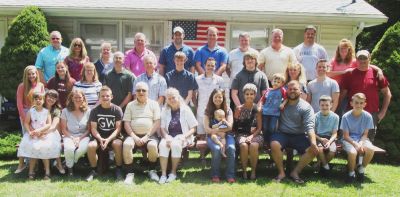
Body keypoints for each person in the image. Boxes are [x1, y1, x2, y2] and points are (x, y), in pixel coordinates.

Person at [270, 80, 318, 184]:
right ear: (286, 91)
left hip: (299, 135)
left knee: (313, 149)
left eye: (295, 89)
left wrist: (313, 143)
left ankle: (295, 172)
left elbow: (309, 127)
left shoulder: (306, 107)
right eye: (290, 89)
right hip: (282, 133)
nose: (292, 91)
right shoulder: (281, 103)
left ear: (300, 91)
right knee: (274, 144)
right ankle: (281, 173)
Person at [341, 50, 391, 141]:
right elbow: (342, 95)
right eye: (360, 58)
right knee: (350, 142)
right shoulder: (349, 74)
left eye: (365, 58)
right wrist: (340, 112)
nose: (362, 61)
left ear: (369, 59)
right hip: (352, 114)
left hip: (371, 114)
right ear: (356, 59)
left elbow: (387, 94)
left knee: (367, 143)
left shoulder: (377, 74)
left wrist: (382, 112)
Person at [328, 39, 383, 115]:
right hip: (335, 90)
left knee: (342, 112)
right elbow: (328, 73)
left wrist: (379, 70)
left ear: (349, 50)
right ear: (338, 50)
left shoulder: (354, 61)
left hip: (345, 91)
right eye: (341, 49)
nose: (343, 51)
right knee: (333, 110)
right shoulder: (333, 61)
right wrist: (344, 72)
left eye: (345, 49)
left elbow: (367, 64)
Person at [122, 82, 161, 184]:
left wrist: (147, 136)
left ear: (148, 92)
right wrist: (134, 137)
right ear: (135, 92)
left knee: (153, 145)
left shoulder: (154, 104)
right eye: (138, 90)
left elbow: (157, 122)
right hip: (133, 134)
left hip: (150, 134)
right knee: (126, 144)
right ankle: (129, 174)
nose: (141, 92)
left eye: (143, 90)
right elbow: (126, 123)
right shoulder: (130, 105)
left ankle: (152, 171)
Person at [158, 88, 198, 184]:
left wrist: (184, 136)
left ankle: (173, 172)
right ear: (166, 100)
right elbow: (162, 128)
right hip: (169, 135)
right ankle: (163, 174)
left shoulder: (185, 109)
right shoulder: (164, 110)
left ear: (178, 97)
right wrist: (166, 137)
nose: (171, 100)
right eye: (169, 98)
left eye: (173, 97)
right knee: (163, 145)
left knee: (175, 145)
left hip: (183, 136)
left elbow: (193, 128)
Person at [17, 92, 59, 180]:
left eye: (40, 99)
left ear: (43, 101)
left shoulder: (46, 112)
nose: (38, 101)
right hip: (33, 134)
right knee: (33, 148)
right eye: (36, 99)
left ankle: (47, 172)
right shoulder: (30, 111)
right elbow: (26, 123)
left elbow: (49, 124)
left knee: (44, 147)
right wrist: (30, 132)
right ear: (33, 101)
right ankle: (31, 171)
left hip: (44, 134)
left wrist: (39, 131)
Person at [86, 86, 124, 182]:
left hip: (113, 137)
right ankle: (93, 170)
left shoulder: (117, 109)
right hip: (99, 136)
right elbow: (93, 129)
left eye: (107, 96)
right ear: (99, 97)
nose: (105, 98)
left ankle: (118, 169)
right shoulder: (94, 111)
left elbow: (118, 129)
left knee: (117, 144)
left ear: (112, 97)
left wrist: (107, 140)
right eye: (102, 96)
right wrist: (100, 139)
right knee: (91, 146)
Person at [15, 66, 45, 174]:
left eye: (33, 73)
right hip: (26, 114)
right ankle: (27, 163)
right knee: (28, 137)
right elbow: (19, 104)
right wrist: (25, 119)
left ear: (37, 74)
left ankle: (37, 162)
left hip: (38, 114)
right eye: (29, 74)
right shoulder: (22, 86)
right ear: (26, 75)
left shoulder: (41, 85)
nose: (31, 76)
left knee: (37, 136)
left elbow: (43, 101)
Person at [195, 57, 225, 161]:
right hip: (201, 110)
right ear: (204, 66)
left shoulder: (220, 80)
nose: (210, 67)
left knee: (214, 133)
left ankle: (215, 154)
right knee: (202, 134)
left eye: (212, 65)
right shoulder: (197, 79)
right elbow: (195, 95)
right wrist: (196, 105)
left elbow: (223, 95)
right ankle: (202, 156)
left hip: (214, 111)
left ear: (215, 66)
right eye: (208, 65)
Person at [341, 93, 376, 183]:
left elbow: (365, 134)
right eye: (356, 102)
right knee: (353, 152)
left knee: (371, 149)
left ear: (365, 104)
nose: (358, 105)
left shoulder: (368, 116)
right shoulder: (346, 116)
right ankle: (351, 173)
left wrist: (360, 143)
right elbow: (346, 136)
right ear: (351, 103)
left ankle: (361, 169)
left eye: (361, 103)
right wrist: (356, 144)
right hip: (348, 140)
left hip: (362, 139)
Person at [204, 89, 236, 183]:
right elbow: (207, 129)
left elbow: (230, 127)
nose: (218, 99)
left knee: (230, 148)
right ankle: (215, 175)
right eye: (215, 97)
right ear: (212, 98)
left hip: (227, 135)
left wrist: (223, 132)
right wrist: (218, 131)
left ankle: (230, 175)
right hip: (212, 136)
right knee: (217, 149)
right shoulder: (207, 111)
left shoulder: (228, 110)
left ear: (223, 98)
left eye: (220, 97)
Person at [233, 83, 263, 180]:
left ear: (255, 95)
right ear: (243, 95)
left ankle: (253, 171)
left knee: (254, 145)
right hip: (241, 134)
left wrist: (251, 136)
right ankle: (244, 171)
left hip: (256, 134)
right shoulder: (238, 109)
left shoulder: (257, 109)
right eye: (247, 94)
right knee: (243, 145)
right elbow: (235, 127)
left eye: (251, 94)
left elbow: (259, 128)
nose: (249, 96)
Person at [60, 89, 91, 176]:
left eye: (80, 97)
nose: (78, 99)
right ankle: (70, 169)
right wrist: (73, 138)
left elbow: (89, 130)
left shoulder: (88, 111)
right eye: (75, 97)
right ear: (72, 98)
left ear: (83, 98)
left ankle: (69, 162)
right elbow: (63, 129)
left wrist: (79, 139)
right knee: (69, 149)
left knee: (81, 149)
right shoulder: (65, 111)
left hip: (84, 136)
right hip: (69, 135)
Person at [314, 95, 339, 177]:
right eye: (322, 105)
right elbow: (312, 132)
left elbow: (335, 133)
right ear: (319, 105)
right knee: (320, 149)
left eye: (327, 105)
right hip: (319, 137)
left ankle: (320, 164)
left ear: (331, 105)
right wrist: (320, 139)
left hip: (330, 138)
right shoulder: (315, 116)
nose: (324, 107)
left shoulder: (335, 117)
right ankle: (326, 167)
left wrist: (330, 142)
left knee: (332, 151)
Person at [259, 73, 287, 142]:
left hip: (274, 113)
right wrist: (260, 106)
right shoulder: (268, 90)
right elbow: (262, 100)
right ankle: (265, 141)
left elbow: (286, 98)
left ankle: (272, 141)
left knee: (272, 128)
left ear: (282, 84)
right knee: (265, 127)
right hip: (265, 112)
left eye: (278, 82)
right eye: (274, 81)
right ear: (271, 82)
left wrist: (283, 104)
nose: (276, 83)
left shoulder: (282, 90)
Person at [43, 90, 64, 175]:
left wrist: (44, 133)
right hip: (39, 132)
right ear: (45, 97)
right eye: (49, 97)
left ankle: (58, 164)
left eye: (54, 98)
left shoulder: (57, 110)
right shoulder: (39, 107)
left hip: (52, 132)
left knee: (52, 142)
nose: (51, 99)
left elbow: (54, 126)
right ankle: (46, 169)